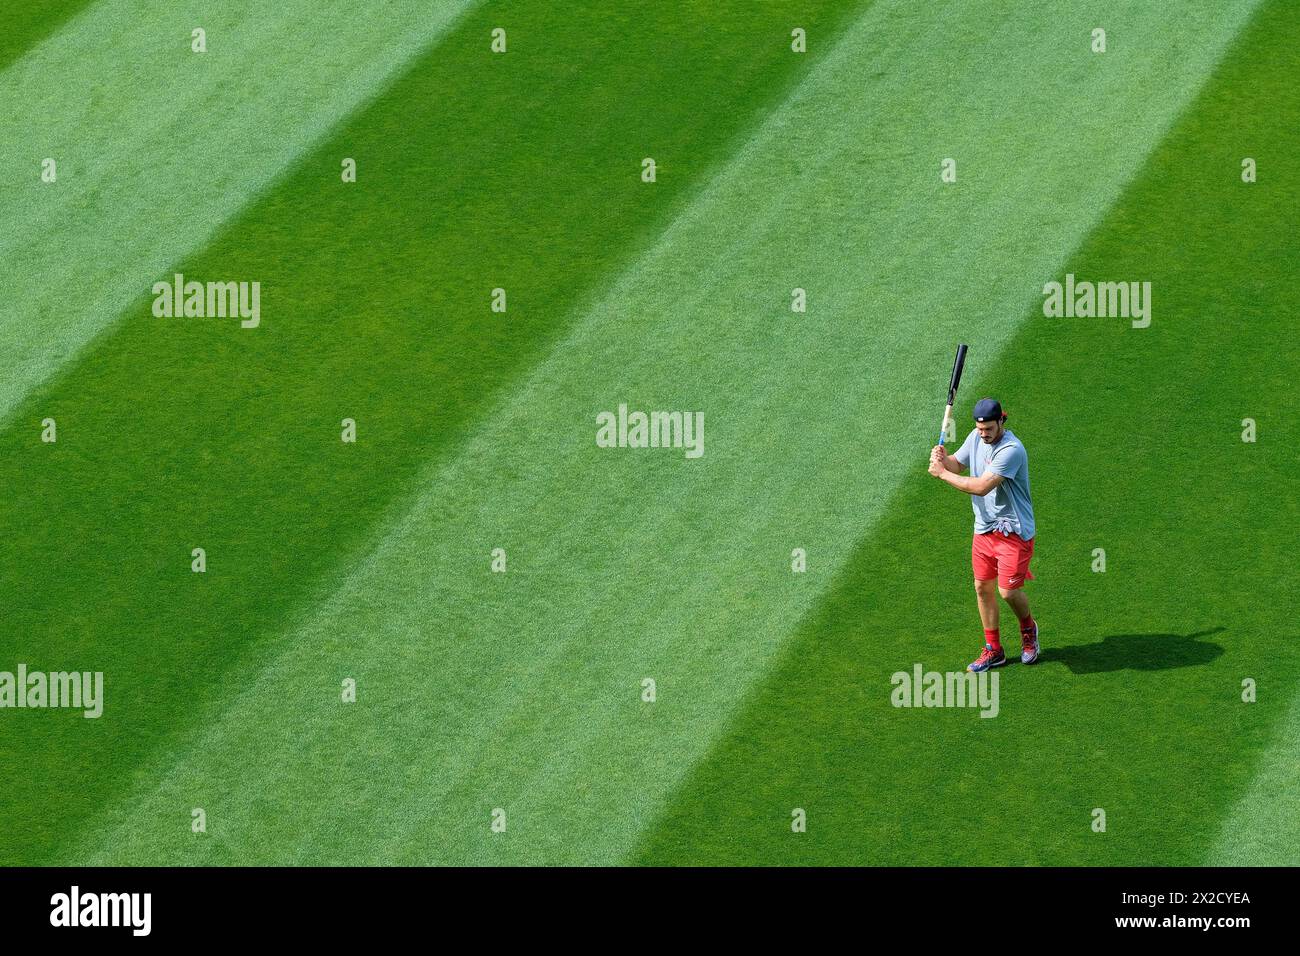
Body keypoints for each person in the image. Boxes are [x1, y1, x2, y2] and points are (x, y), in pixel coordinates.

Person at [928, 398, 1039, 671]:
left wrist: (942, 475)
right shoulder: (976, 438)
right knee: (982, 587)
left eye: (989, 429)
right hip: (985, 528)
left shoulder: (1011, 450)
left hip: (1013, 531)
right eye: (980, 429)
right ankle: (994, 650)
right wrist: (944, 460)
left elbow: (981, 487)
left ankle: (1028, 630)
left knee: (1008, 591)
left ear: (1001, 421)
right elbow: (958, 464)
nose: (984, 434)